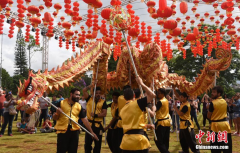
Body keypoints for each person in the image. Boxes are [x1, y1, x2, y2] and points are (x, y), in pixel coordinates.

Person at [53, 88, 98, 153]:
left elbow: (85, 120)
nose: (78, 96)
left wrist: (91, 132)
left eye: (79, 95)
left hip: (74, 132)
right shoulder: (61, 103)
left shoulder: (79, 106)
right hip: (63, 132)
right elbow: (55, 118)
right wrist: (57, 113)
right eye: (76, 94)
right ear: (71, 94)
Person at [119, 76, 155, 153]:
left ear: (124, 98)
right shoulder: (137, 103)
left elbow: (133, 125)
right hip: (138, 142)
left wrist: (147, 126)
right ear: (134, 96)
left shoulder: (122, 111)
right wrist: (141, 84)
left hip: (126, 143)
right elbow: (152, 95)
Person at [173, 87, 200, 153]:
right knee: (182, 139)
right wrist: (174, 89)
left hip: (187, 125)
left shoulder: (186, 105)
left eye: (182, 97)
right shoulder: (183, 102)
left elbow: (180, 113)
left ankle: (196, 151)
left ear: (185, 98)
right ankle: (185, 150)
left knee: (191, 140)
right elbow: (177, 96)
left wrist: (175, 108)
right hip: (182, 125)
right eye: (180, 97)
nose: (180, 98)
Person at [82, 84, 107, 153]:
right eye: (96, 93)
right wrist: (91, 85)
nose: (98, 94)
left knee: (98, 144)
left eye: (99, 93)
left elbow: (104, 113)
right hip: (89, 125)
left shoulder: (103, 102)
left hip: (98, 126)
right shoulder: (89, 99)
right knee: (87, 144)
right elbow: (84, 90)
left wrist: (95, 115)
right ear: (93, 93)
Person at [207, 86, 232, 153]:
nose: (212, 93)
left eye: (214, 92)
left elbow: (208, 116)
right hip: (225, 125)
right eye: (212, 92)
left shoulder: (213, 103)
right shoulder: (225, 102)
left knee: (215, 147)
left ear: (219, 94)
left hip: (215, 126)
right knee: (226, 146)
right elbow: (227, 112)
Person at [154, 88, 171, 153]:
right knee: (165, 140)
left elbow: (155, 109)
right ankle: (166, 150)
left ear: (163, 94)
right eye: (157, 93)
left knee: (157, 139)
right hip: (167, 122)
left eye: (159, 93)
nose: (157, 94)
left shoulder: (160, 101)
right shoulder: (165, 100)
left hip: (162, 123)